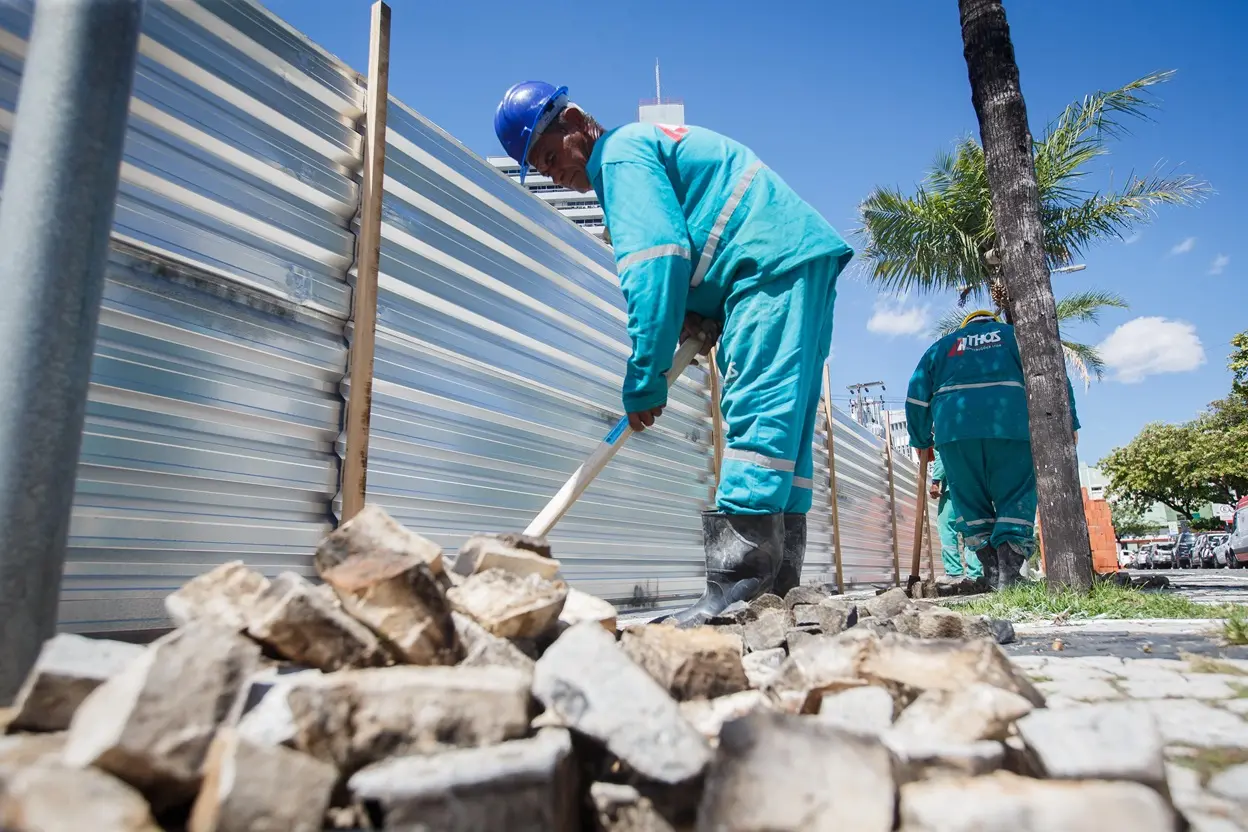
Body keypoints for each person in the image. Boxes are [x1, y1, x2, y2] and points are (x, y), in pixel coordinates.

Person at [494, 82, 853, 624]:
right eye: (537, 169)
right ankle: (777, 589)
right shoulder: (642, 150)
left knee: (758, 414)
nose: (550, 172)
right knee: (787, 428)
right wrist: (696, 309)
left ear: (573, 121)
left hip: (764, 267)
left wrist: (646, 374)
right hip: (788, 259)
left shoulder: (619, 158)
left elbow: (657, 263)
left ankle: (735, 589)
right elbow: (688, 249)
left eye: (548, 155)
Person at [905, 310, 1079, 590]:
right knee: (1017, 495)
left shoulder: (941, 347)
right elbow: (1055, 375)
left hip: (956, 436)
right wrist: (1070, 422)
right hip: (1012, 429)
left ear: (965, 327)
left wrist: (921, 440)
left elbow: (915, 397)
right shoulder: (1017, 337)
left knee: (970, 501)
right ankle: (1008, 572)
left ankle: (992, 571)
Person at [930, 449, 983, 583]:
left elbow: (943, 454)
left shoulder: (943, 429)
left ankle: (954, 572)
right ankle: (975, 573)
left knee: (947, 525)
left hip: (954, 487)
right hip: (976, 485)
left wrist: (935, 481)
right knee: (972, 527)